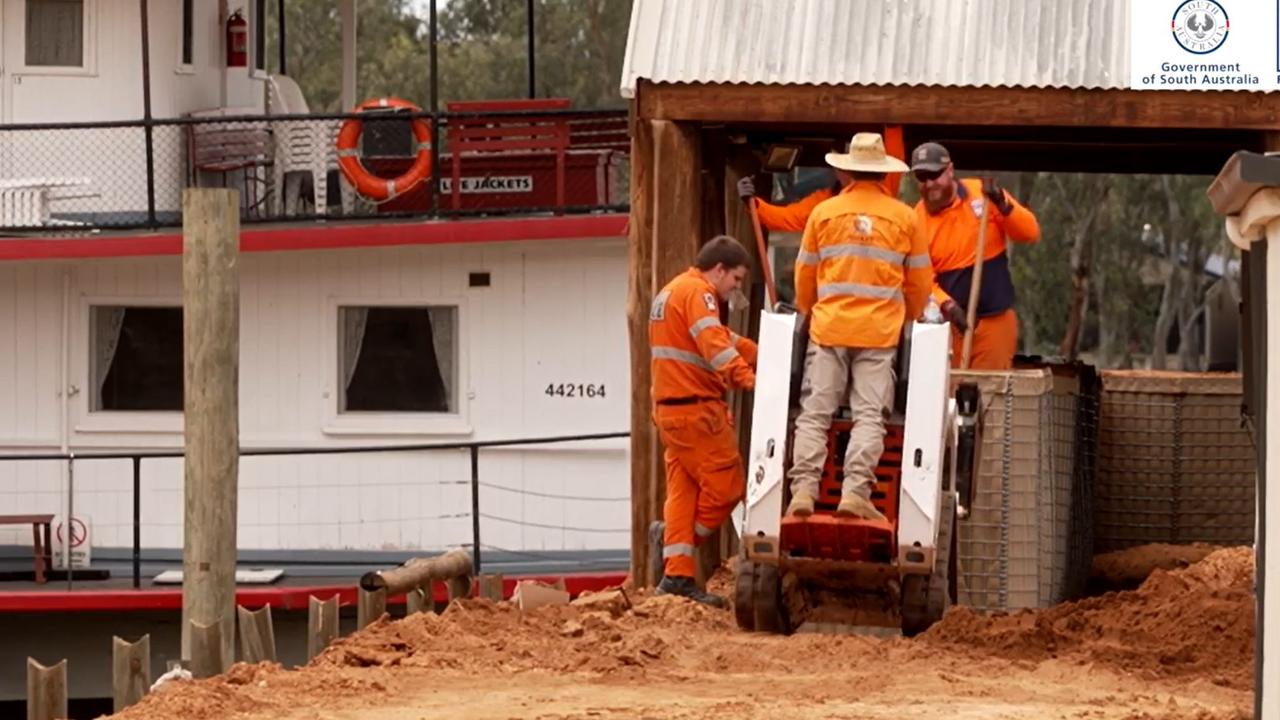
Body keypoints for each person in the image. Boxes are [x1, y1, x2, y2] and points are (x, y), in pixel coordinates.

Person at [785, 133, 933, 519]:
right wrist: (909, 319)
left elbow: (805, 275)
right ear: (884, 174)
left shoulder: (824, 213)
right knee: (869, 415)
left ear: (847, 170)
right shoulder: (904, 217)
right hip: (879, 334)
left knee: (815, 413)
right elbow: (919, 282)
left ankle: (803, 492)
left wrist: (810, 310)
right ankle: (855, 493)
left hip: (829, 328)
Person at [647, 234, 758, 607]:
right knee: (728, 487)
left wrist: (762, 351)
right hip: (697, 412)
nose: (735, 288)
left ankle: (677, 574)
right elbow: (713, 341)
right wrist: (746, 376)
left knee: (684, 492)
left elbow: (719, 335)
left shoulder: (672, 292)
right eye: (736, 279)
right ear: (719, 269)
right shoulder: (700, 293)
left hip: (671, 413)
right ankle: (675, 548)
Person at [909, 142, 1041, 370]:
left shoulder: (983, 195)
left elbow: (1030, 233)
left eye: (935, 175)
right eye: (922, 177)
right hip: (948, 327)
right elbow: (920, 279)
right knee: (947, 398)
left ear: (950, 170)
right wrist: (947, 305)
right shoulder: (915, 220)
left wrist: (1003, 203)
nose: (930, 184)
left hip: (995, 321)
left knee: (991, 395)